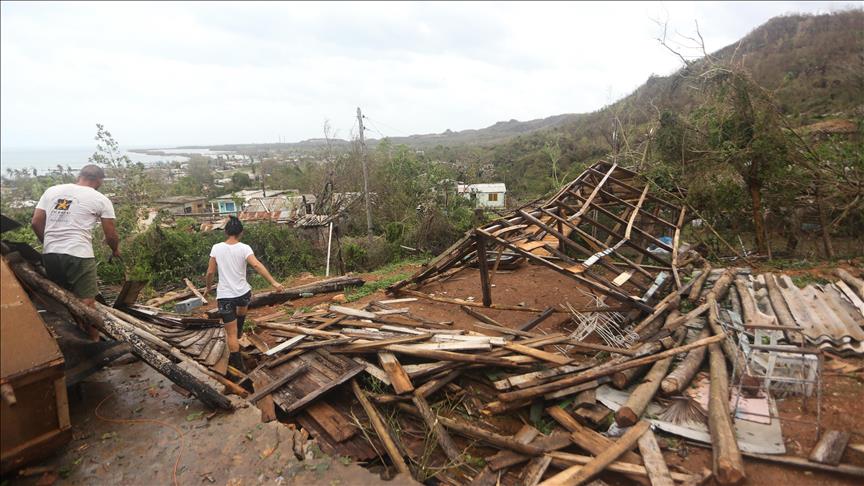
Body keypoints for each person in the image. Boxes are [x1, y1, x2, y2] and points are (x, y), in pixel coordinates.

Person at [31, 164, 120, 340]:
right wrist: (115, 249)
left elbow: (36, 222)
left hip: (50, 254)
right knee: (87, 302)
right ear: (99, 181)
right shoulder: (100, 199)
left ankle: (80, 335)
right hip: (79, 253)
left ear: (80, 176)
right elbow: (111, 235)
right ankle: (95, 344)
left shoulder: (52, 191)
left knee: (65, 298)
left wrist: (49, 243)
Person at [205, 216, 284, 372]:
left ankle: (239, 367)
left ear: (226, 232)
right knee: (242, 307)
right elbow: (256, 264)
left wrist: (207, 287)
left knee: (231, 335)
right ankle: (240, 327)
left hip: (225, 297)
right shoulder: (244, 248)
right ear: (241, 233)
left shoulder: (216, 248)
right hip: (243, 293)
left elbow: (210, 272)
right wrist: (273, 282)